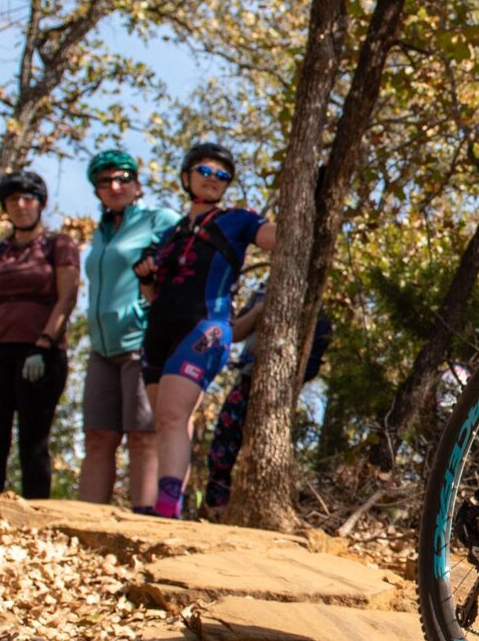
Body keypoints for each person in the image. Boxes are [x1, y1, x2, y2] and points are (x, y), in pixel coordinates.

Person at [135, 141, 276, 517]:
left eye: (223, 175)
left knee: (172, 414)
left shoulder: (238, 220)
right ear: (187, 177)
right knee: (164, 420)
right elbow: (152, 294)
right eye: (206, 172)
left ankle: (168, 507)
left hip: (206, 328)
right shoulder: (171, 234)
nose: (214, 180)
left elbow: (280, 240)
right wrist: (145, 276)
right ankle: (167, 502)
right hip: (159, 330)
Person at [0, 170, 80, 497]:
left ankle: (37, 515)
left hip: (41, 352)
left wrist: (45, 343)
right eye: (12, 200)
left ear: (40, 204)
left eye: (28, 199)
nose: (20, 205)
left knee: (33, 442)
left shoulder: (58, 245)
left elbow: (68, 295)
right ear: (5, 208)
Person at [75, 147, 180, 511]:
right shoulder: (100, 233)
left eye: (123, 178)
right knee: (98, 436)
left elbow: (184, 256)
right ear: (97, 191)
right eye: (105, 181)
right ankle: (86, 523)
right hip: (101, 348)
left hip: (142, 341)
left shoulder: (158, 219)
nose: (115, 186)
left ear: (137, 185)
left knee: (143, 435)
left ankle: (144, 521)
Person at [200, 291, 331, 518]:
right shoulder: (259, 295)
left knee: (265, 453)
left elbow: (314, 360)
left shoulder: (317, 310)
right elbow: (235, 332)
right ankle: (216, 510)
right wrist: (259, 310)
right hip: (245, 379)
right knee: (222, 449)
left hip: (280, 391)